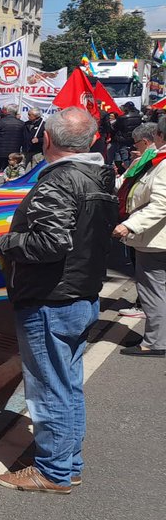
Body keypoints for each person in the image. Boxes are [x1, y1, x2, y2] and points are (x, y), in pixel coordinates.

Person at [0, 108, 117, 494]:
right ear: (91, 141)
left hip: (50, 299)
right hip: (81, 293)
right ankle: (67, 463)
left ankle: (53, 471)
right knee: (67, 384)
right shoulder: (100, 176)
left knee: (47, 388)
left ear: (47, 140)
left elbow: (51, 243)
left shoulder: (60, 182)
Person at [112, 115, 166, 356]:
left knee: (153, 291)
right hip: (154, 237)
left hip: (155, 239)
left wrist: (130, 225)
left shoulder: (163, 164)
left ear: (159, 136)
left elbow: (160, 203)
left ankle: (156, 342)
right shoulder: (156, 160)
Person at [0, 104, 28, 188]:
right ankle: (7, 188)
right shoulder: (21, 124)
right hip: (13, 152)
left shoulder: (0, 122)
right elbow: (24, 138)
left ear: (7, 112)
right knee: (10, 172)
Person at [110, 102, 143, 172]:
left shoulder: (122, 117)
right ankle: (127, 169)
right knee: (130, 155)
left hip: (123, 139)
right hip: (134, 138)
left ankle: (126, 171)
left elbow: (115, 127)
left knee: (123, 155)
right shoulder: (139, 116)